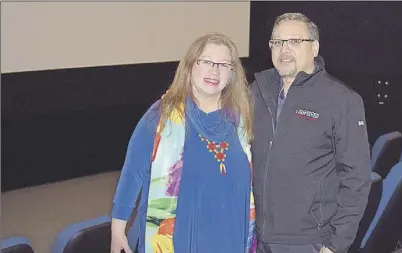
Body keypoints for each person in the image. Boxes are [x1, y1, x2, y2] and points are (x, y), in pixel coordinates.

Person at [110, 32, 257, 253]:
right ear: (190, 66)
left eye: (223, 64)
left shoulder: (241, 121)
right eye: (206, 61)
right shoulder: (160, 117)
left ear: (232, 73)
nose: (214, 70)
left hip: (229, 237)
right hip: (179, 240)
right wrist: (117, 230)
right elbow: (133, 173)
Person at [250, 13, 371, 253]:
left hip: (308, 242)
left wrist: (336, 245)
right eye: (278, 42)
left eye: (295, 41)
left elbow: (356, 179)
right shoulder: (256, 91)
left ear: (314, 47)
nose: (284, 49)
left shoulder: (341, 100)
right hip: (256, 236)